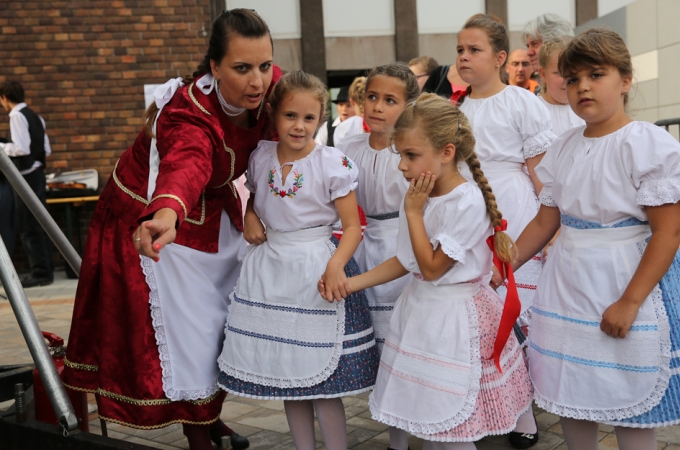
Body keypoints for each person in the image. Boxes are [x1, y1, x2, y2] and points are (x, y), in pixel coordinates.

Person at [63, 9, 282, 450]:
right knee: (190, 334)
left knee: (228, 321)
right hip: (154, 225)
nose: (257, 81)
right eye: (242, 68)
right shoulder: (189, 114)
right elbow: (187, 164)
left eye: (264, 65)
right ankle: (198, 431)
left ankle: (209, 416)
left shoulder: (272, 89)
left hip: (215, 218)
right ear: (214, 68)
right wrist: (164, 214)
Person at [512, 28, 680, 450]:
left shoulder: (645, 144)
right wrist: (503, 265)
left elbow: (668, 232)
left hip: (625, 276)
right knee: (571, 388)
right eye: (572, 79)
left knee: (631, 388)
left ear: (625, 80)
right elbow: (544, 222)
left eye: (596, 74)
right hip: (567, 283)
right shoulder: (564, 146)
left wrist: (629, 301)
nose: (582, 86)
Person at [324, 92, 533, 449]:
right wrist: (351, 283)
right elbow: (407, 261)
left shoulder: (465, 202)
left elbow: (433, 268)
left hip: (453, 319)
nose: (402, 166)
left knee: (453, 420)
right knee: (430, 420)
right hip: (420, 313)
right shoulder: (420, 197)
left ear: (447, 152)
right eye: (400, 155)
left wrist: (414, 214)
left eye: (410, 155)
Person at [216, 71, 379, 450]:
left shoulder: (331, 163)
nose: (299, 126)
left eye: (309, 118)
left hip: (315, 269)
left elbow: (353, 227)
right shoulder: (260, 158)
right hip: (271, 271)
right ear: (273, 114)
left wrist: (336, 266)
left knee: (321, 382)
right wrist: (251, 216)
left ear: (320, 118)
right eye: (290, 116)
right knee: (288, 373)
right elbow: (256, 200)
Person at [454, 14, 556, 448]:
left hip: (513, 210)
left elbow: (541, 173)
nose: (463, 57)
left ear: (499, 57)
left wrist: (549, 231)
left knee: (517, 313)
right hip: (469, 213)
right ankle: (485, 406)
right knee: (482, 317)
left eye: (473, 50)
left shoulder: (521, 102)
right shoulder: (455, 108)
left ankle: (524, 416)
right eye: (459, 50)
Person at [336, 62, 419, 450]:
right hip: (365, 245)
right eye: (372, 97)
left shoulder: (413, 149)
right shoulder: (347, 147)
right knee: (383, 352)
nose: (378, 107)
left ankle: (427, 426)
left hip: (406, 246)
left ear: (407, 106)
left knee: (406, 347)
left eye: (390, 100)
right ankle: (396, 439)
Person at [0, 81, 54, 287]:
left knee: (27, 225)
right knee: (39, 223)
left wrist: (2, 146)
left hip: (26, 178)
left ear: (4, 97)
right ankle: (45, 270)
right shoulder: (36, 117)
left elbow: (21, 148)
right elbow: (45, 149)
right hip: (38, 174)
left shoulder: (16, 115)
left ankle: (39, 272)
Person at [537, 37, 584, 136]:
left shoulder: (587, 106)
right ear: (543, 74)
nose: (568, 79)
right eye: (559, 73)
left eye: (573, 72)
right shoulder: (534, 111)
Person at [334, 76, 369, 146]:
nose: (344, 109)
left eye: (348, 105)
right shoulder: (380, 122)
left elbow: (341, 156)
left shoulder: (344, 127)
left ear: (352, 102)